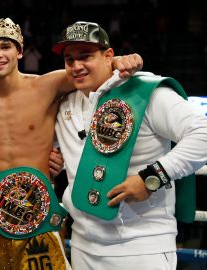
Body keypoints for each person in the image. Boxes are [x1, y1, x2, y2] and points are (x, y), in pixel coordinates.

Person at [0, 17, 142, 270]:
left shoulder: (47, 85)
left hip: (37, 209)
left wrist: (119, 61)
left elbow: (90, 70)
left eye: (5, 47)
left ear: (19, 51)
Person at [53, 21, 207, 269]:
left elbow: (203, 134)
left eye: (85, 56)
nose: (76, 65)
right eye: (69, 59)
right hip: (82, 245)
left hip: (142, 247)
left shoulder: (146, 92)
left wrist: (153, 176)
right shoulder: (65, 104)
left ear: (109, 56)